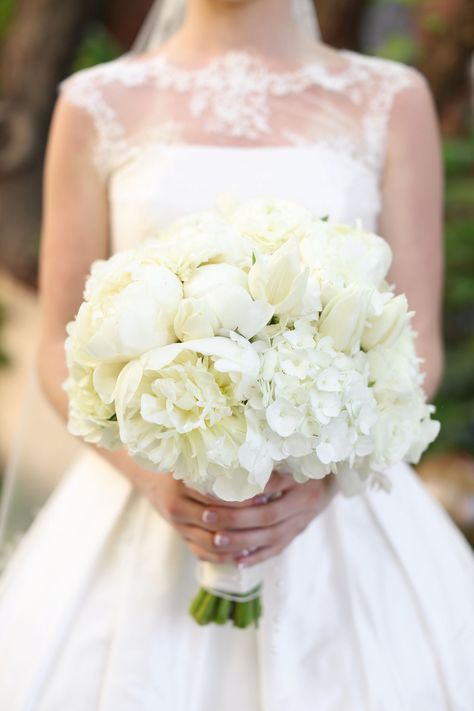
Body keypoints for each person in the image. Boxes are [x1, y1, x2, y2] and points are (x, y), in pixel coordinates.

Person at [1, 0, 474, 708]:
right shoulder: (95, 105)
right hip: (148, 498)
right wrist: (161, 481)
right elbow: (58, 348)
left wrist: (316, 481)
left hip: (334, 511)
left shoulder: (389, 101)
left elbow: (416, 349)